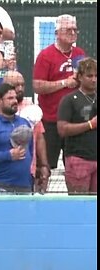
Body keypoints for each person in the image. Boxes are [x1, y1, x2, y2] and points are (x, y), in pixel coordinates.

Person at [0, 71, 50, 193]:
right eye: (10, 98)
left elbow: (32, 147)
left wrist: (42, 166)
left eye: (15, 98)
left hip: (25, 186)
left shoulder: (25, 122)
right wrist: (8, 155)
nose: (15, 100)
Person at [33, 14, 86, 170]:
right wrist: (64, 83)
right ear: (56, 33)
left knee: (76, 166)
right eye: (68, 29)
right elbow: (37, 86)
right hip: (51, 121)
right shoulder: (45, 55)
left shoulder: (79, 54)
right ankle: (40, 193)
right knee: (45, 166)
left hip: (75, 121)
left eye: (75, 30)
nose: (72, 33)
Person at [57, 57, 97, 195]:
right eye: (90, 76)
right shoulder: (69, 100)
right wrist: (90, 124)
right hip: (78, 159)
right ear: (79, 76)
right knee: (79, 204)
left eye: (96, 76)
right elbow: (62, 129)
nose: (94, 79)